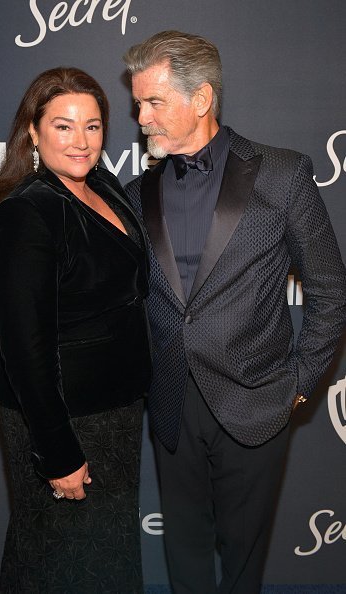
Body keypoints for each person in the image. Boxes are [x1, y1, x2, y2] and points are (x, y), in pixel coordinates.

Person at [123, 31, 346, 594]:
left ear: (200, 99)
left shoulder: (281, 173)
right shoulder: (135, 191)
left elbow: (329, 289)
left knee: (243, 562)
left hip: (256, 399)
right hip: (172, 399)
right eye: (138, 102)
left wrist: (297, 386)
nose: (140, 115)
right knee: (185, 554)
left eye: (153, 102)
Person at [0, 66, 152, 593]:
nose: (81, 142)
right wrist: (57, 449)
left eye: (93, 126)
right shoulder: (26, 213)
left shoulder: (102, 185)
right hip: (64, 417)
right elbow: (23, 348)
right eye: (63, 126)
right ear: (33, 132)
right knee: (56, 561)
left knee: (102, 555)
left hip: (115, 411)